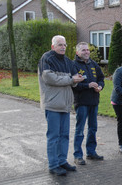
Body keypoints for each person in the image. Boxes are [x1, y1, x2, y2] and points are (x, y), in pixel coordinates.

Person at [38, 35, 84, 176]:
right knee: (53, 136)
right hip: (52, 104)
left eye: (64, 45)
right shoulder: (47, 59)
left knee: (64, 135)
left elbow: (74, 78)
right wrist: (71, 79)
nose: (63, 47)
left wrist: (77, 80)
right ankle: (53, 165)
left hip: (65, 105)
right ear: (53, 46)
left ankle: (62, 160)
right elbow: (49, 78)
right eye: (59, 45)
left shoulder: (68, 62)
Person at [72, 42, 105, 165]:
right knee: (80, 129)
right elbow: (73, 85)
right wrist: (88, 85)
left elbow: (101, 79)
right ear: (77, 53)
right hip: (81, 102)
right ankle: (78, 155)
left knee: (93, 128)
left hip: (94, 101)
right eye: (83, 50)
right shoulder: (73, 65)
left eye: (87, 50)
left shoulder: (93, 64)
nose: (86, 52)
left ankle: (91, 152)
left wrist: (100, 87)